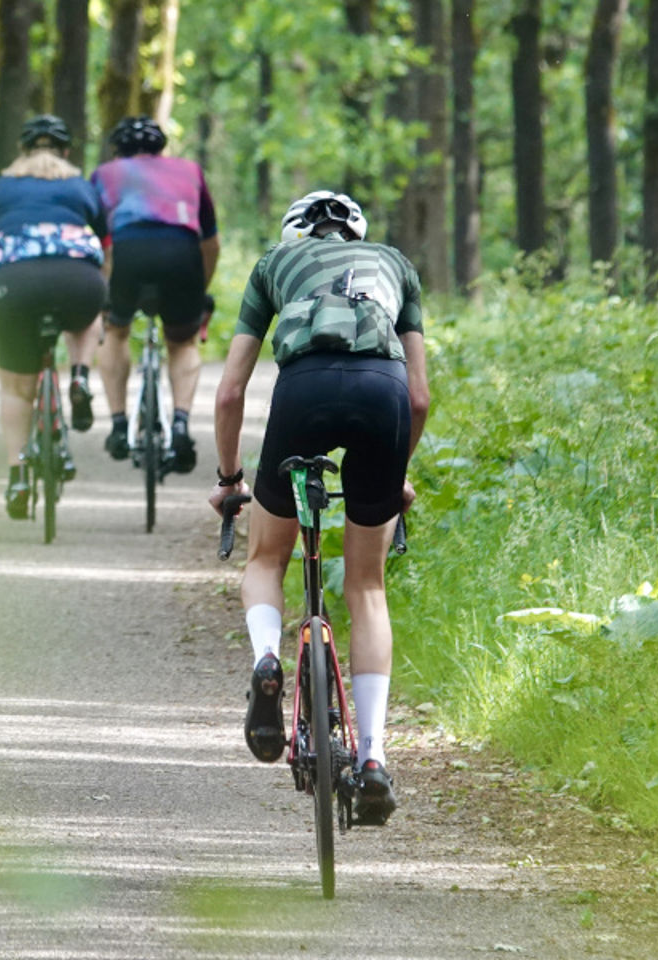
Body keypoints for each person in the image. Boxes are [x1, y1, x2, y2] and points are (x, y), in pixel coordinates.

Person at [206, 190, 430, 826]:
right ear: (356, 233)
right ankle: (374, 758)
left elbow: (229, 393)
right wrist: (396, 474)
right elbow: (419, 398)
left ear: (294, 234)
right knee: (367, 586)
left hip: (303, 392)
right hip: (383, 394)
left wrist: (230, 479)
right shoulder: (396, 264)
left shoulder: (274, 264)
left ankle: (266, 660)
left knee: (265, 559)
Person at [0, 114, 109, 519]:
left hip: (14, 283)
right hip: (78, 280)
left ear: (22, 151)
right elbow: (105, 245)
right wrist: (101, 287)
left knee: (15, 389)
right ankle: (80, 375)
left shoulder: (2, 187)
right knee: (90, 316)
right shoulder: (81, 186)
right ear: (66, 151)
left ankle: (18, 477)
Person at [89, 115, 220, 474]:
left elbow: (94, 240)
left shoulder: (104, 174)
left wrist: (102, 291)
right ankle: (180, 424)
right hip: (180, 252)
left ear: (118, 151)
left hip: (126, 251)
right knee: (182, 342)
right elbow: (210, 243)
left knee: (115, 331)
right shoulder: (190, 171)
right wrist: (199, 290)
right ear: (161, 149)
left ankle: (119, 424)